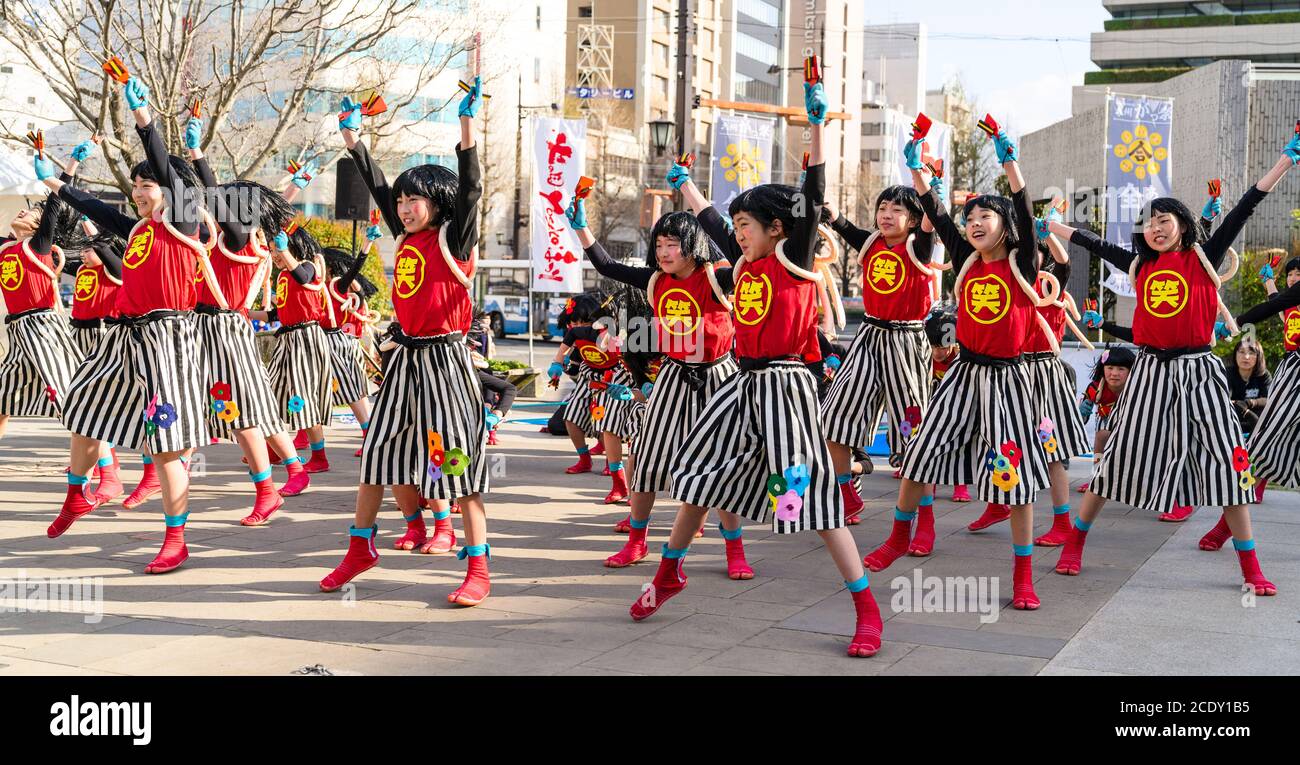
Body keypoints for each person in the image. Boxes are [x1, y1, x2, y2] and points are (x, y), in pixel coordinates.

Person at [627, 77, 883, 658]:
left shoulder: (792, 261)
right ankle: (670, 571)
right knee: (698, 474)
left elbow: (811, 198)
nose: (736, 235)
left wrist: (816, 128)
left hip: (787, 387)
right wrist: (687, 186)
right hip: (741, 382)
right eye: (737, 227)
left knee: (811, 500)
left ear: (778, 230)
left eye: (748, 227)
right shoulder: (742, 266)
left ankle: (866, 610)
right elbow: (713, 221)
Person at [1044, 124, 1300, 596]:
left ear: (1182, 224)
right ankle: (1074, 544)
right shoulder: (1140, 265)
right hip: (1150, 371)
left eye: (1165, 219)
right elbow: (1093, 242)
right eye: (1149, 222)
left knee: (1229, 461)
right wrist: (1053, 226)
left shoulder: (1205, 258)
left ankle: (1250, 568)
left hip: (1198, 370)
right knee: (1118, 457)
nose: (1156, 227)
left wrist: (1286, 161)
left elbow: (1246, 207)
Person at [863, 121, 1050, 611]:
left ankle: (1023, 574)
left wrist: (1009, 161)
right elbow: (935, 213)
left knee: (1015, 477)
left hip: (1008, 380)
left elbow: (1028, 216)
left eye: (985, 215)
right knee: (919, 451)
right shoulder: (967, 260)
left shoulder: (1022, 261)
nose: (974, 222)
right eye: (971, 217)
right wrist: (915, 167)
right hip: (964, 373)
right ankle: (899, 538)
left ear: (1005, 225)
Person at [320, 79, 488, 605]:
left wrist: (466, 128)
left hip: (446, 360)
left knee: (455, 463)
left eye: (415, 198)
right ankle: (360, 547)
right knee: (377, 453)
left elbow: (473, 189)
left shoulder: (453, 238)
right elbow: (375, 184)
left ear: (437, 203)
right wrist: (354, 140)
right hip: (405, 361)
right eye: (403, 199)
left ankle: (477, 569)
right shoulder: (405, 236)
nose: (406, 205)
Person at [41, 74, 215, 573]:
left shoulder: (184, 217)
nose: (140, 192)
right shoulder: (138, 226)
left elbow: (166, 165)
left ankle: (176, 539)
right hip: (126, 335)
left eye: (148, 184)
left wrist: (144, 121)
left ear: (171, 189)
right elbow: (92, 206)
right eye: (136, 186)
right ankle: (77, 494)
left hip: (168, 337)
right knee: (81, 406)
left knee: (165, 447)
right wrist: (56, 182)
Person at [564, 196, 752, 575]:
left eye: (673, 244)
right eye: (659, 244)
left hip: (718, 376)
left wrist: (700, 200)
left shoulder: (717, 276)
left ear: (693, 245)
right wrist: (581, 227)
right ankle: (636, 541)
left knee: (721, 465)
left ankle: (735, 551)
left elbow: (750, 260)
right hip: (672, 376)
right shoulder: (655, 281)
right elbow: (607, 265)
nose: (664, 252)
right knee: (647, 459)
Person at [185, 114, 312, 523]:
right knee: (246, 407)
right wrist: (294, 187)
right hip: (219, 327)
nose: (223, 203)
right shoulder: (246, 238)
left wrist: (197, 153)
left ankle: (265, 489)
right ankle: (289, 469)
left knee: (238, 413)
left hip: (220, 329)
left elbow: (215, 194)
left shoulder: (239, 239)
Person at [818, 184, 938, 523]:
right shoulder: (871, 244)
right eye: (883, 207)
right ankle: (846, 492)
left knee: (914, 435)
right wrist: (830, 209)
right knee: (833, 418)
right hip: (870, 337)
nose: (886, 214)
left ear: (914, 220)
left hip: (906, 341)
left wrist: (926, 184)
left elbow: (932, 220)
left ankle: (924, 520)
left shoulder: (920, 249)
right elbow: (843, 225)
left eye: (896, 210)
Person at [1224, 337, 1269, 435]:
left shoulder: (1264, 375)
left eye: (1251, 353)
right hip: (1233, 423)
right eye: (1241, 352)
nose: (1246, 357)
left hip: (1259, 424)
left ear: (1258, 357)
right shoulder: (1227, 373)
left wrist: (1249, 403)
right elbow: (1226, 400)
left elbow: (1269, 399)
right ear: (1235, 354)